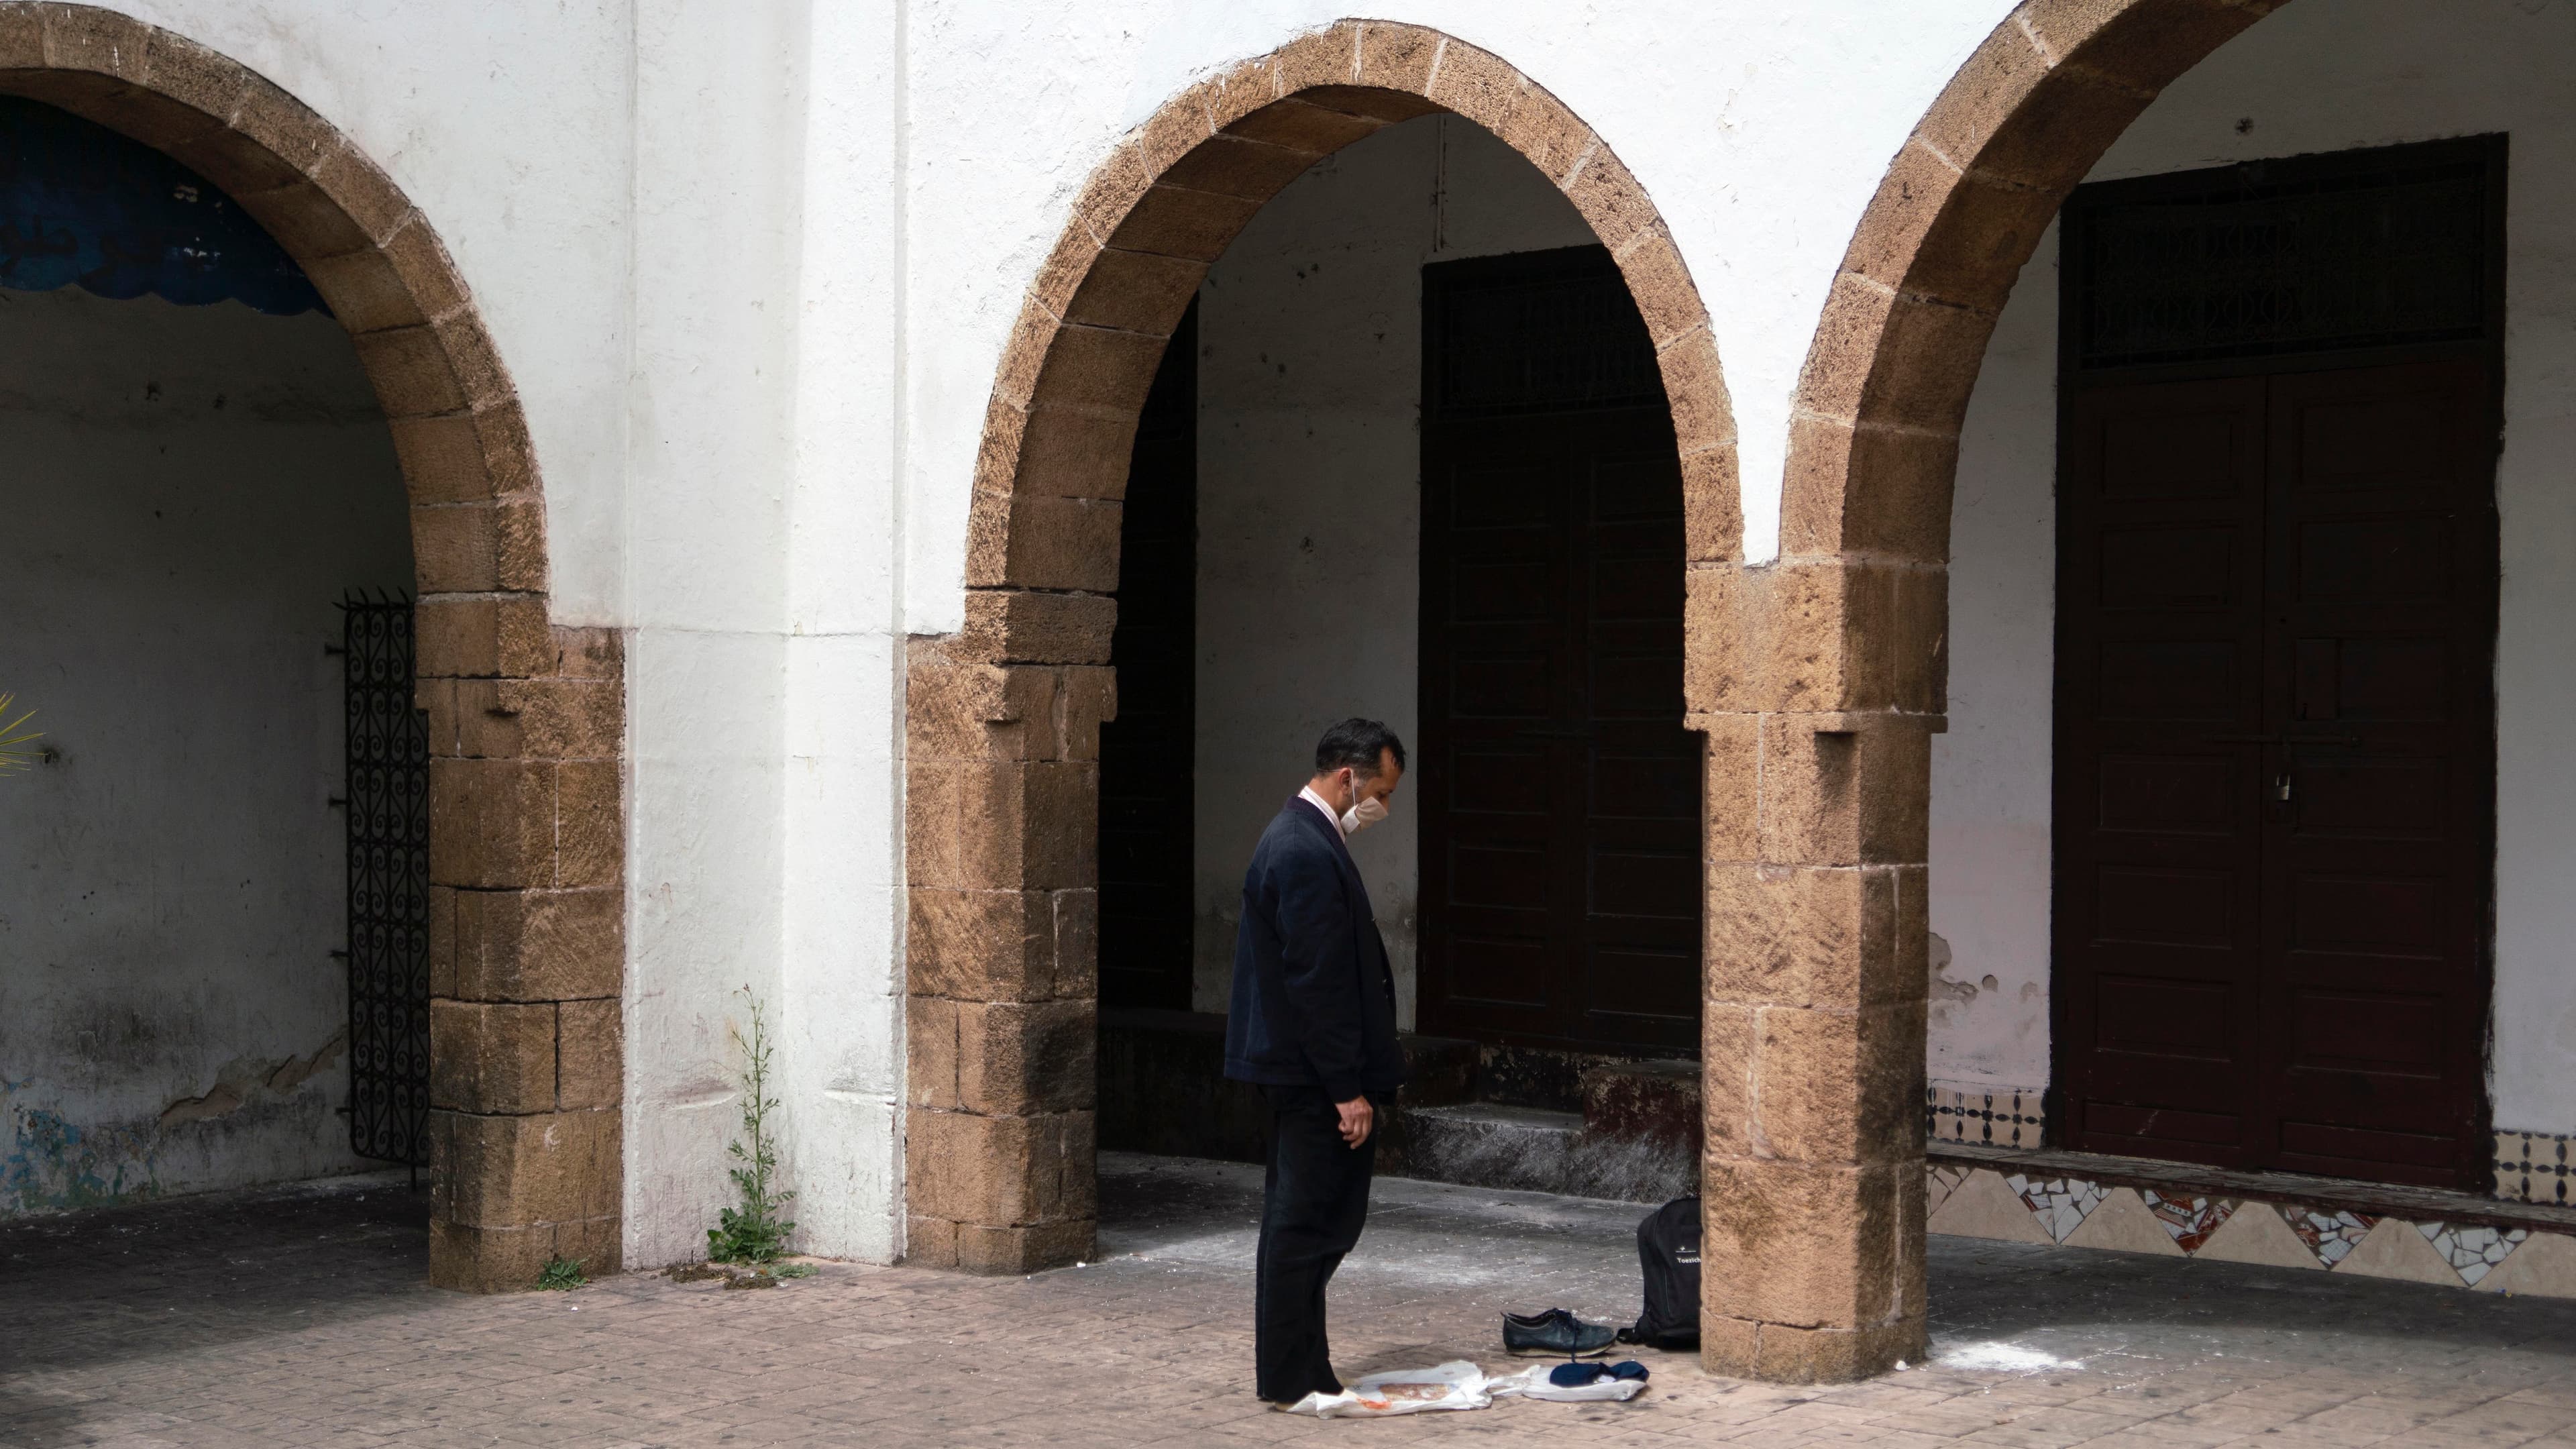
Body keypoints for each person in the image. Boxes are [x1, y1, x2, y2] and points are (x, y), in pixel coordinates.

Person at [1224, 717, 1410, 1405]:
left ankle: (1307, 1366)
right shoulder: (1302, 848)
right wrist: (1346, 1090)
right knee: (1306, 1225)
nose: (1381, 807)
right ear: (1346, 778)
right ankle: (1289, 1373)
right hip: (1308, 1077)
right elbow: (1317, 981)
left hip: (1305, 1071)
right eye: (1379, 792)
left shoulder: (1308, 839)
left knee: (1312, 1223)